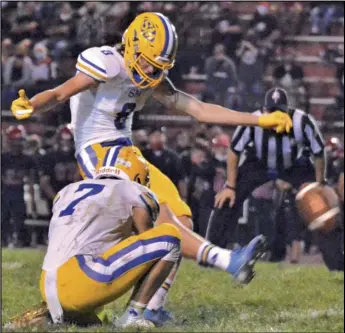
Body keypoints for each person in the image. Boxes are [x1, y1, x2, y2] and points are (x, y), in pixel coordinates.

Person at [11, 12, 291, 325]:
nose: (152, 71)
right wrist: (34, 104)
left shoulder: (150, 73)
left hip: (127, 150)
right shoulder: (106, 63)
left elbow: (199, 110)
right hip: (99, 153)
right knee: (164, 220)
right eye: (148, 63)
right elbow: (63, 92)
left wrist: (257, 119)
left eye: (159, 67)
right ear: (131, 45)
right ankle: (226, 260)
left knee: (180, 213)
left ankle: (148, 308)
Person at [7, 148, 181, 329]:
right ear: (137, 175)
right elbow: (148, 245)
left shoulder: (66, 191)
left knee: (101, 324)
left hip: (49, 284)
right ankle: (133, 315)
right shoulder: (132, 190)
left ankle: (46, 318)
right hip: (84, 278)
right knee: (170, 237)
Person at [212, 87, 343, 271]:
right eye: (271, 112)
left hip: (295, 165)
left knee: (323, 206)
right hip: (258, 162)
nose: (276, 118)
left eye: (280, 112)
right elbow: (234, 151)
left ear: (287, 110)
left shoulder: (302, 121)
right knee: (226, 199)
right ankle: (212, 255)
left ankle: (337, 264)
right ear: (264, 111)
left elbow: (318, 152)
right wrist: (230, 186)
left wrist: (319, 183)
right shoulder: (252, 121)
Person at [1, 125, 36, 247]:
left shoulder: (27, 159)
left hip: (19, 192)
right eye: (14, 140)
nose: (16, 143)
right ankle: (4, 240)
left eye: (18, 140)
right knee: (3, 218)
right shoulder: (3, 158)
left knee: (19, 219)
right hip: (4, 192)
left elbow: (30, 181)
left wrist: (32, 203)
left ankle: (20, 240)